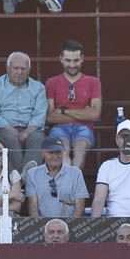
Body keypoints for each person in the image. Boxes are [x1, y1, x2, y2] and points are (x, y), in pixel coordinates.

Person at [0, 52, 47, 172]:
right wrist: (11, 130)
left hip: (31, 129)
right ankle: (20, 178)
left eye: (23, 68)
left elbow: (40, 114)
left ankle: (28, 177)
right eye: (15, 68)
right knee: (10, 139)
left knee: (38, 139)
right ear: (8, 69)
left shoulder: (38, 88)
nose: (19, 72)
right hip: (4, 129)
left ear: (29, 70)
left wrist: (26, 133)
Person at [45, 39, 101, 173]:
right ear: (61, 59)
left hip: (84, 129)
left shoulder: (93, 82)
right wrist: (83, 113)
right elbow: (49, 117)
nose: (72, 65)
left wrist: (63, 111)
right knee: (62, 150)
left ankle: (74, 187)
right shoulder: (51, 82)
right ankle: (69, 188)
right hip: (58, 129)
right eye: (68, 60)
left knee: (80, 147)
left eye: (75, 60)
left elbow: (95, 115)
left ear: (82, 59)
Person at [26, 136, 88, 217]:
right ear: (43, 153)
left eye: (58, 152)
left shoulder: (76, 173)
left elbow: (80, 205)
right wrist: (39, 226)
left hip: (69, 224)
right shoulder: (32, 173)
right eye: (51, 152)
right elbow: (32, 205)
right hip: (42, 225)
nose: (55, 156)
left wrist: (70, 226)